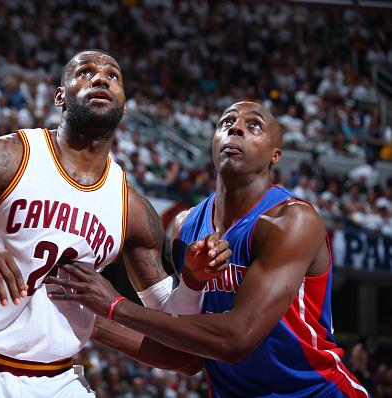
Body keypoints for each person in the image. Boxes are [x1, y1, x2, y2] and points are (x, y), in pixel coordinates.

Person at [0, 49, 231, 397]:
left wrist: (192, 281)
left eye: (113, 75)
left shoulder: (132, 208)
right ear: (60, 97)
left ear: (123, 107)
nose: (100, 78)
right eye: (85, 72)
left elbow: (179, 345)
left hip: (55, 380)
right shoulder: (5, 158)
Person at [47, 101, 370, 397]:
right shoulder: (186, 226)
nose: (236, 128)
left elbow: (235, 340)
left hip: (315, 391)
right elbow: (183, 355)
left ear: (275, 154)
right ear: (214, 142)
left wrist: (114, 305)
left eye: (253, 125)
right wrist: (86, 320)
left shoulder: (291, 220)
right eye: (226, 122)